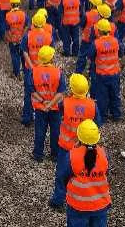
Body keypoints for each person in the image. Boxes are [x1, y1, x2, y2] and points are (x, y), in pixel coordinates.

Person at [50, 74, 99, 210]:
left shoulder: (65, 103)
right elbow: (97, 124)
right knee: (81, 174)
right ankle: (81, 199)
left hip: (66, 147)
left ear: (71, 90)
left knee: (61, 174)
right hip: (84, 148)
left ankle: (58, 200)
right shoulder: (92, 105)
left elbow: (59, 112)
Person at [55, 119, 112, 226]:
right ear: (97, 138)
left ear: (79, 137)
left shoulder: (72, 156)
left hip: (78, 205)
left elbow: (63, 176)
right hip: (100, 204)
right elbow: (105, 171)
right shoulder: (104, 154)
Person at [28, 45, 66, 162]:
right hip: (55, 108)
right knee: (55, 132)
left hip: (40, 108)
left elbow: (32, 91)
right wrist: (50, 104)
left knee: (40, 132)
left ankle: (38, 155)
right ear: (51, 59)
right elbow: (60, 93)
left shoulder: (33, 72)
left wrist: (43, 102)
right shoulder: (58, 72)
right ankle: (54, 155)